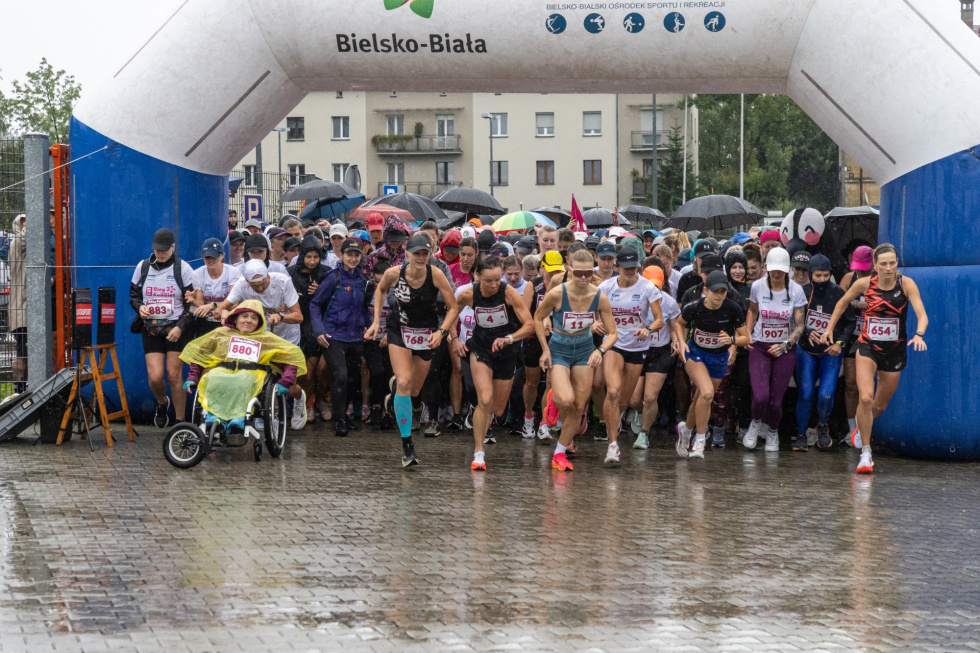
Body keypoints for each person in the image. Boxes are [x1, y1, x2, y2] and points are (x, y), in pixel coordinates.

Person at [819, 244, 928, 474]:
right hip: (867, 346)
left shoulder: (906, 284)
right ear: (875, 266)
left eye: (892, 263)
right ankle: (866, 454)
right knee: (865, 398)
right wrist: (829, 329)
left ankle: (861, 426)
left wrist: (919, 334)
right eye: (883, 264)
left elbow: (922, 314)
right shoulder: (865, 284)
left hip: (894, 351)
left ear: (897, 263)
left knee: (879, 405)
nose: (888, 268)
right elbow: (841, 303)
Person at [365, 234, 458, 468]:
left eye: (425, 254)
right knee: (406, 384)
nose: (420, 258)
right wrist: (377, 322)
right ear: (407, 253)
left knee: (414, 389)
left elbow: (453, 306)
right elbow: (380, 290)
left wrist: (442, 331)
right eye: (416, 253)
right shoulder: (394, 273)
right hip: (400, 331)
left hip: (426, 334)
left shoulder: (436, 275)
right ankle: (407, 447)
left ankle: (395, 391)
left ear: (429, 255)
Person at [534, 250, 617, 471]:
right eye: (578, 273)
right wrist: (544, 349)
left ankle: (559, 453)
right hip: (559, 349)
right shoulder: (557, 294)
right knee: (567, 400)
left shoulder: (599, 296)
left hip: (584, 350)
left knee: (579, 407)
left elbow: (613, 333)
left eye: (588, 273)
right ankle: (553, 400)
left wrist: (600, 350)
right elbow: (538, 317)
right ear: (569, 269)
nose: (582, 278)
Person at [453, 256, 535, 470]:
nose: (494, 284)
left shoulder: (508, 293)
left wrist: (509, 338)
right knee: (485, 399)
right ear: (477, 276)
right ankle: (479, 453)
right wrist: (453, 338)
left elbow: (529, 325)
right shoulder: (468, 294)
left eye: (498, 279)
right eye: (489, 280)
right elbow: (452, 313)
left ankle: (481, 416)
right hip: (480, 347)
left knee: (497, 409)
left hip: (506, 350)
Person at [180, 299, 307, 432]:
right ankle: (213, 416)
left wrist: (285, 380)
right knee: (211, 377)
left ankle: (239, 417)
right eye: (244, 316)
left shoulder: (266, 339)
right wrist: (192, 377)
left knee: (243, 380)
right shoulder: (221, 334)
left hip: (251, 374)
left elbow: (290, 358)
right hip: (223, 371)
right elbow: (200, 354)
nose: (248, 320)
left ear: (259, 322)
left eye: (253, 318)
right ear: (235, 319)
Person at [216, 259, 307, 429]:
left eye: (262, 283)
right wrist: (224, 312)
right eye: (254, 285)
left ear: (267, 276)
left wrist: (281, 317)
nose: (259, 288)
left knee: (286, 382)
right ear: (247, 281)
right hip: (260, 338)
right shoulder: (242, 285)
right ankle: (269, 413)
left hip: (285, 337)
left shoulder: (282, 282)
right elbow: (221, 308)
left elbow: (299, 316)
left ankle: (299, 398)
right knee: (260, 375)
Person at [595, 248, 663, 464]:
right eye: (626, 267)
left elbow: (659, 319)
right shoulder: (606, 287)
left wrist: (648, 330)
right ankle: (612, 445)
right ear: (617, 267)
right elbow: (593, 313)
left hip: (637, 347)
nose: (630, 271)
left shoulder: (647, 287)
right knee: (612, 391)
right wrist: (595, 323)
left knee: (624, 401)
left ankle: (614, 426)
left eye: (634, 267)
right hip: (613, 344)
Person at [672, 270, 749, 459]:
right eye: (716, 291)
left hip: (719, 358)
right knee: (707, 393)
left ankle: (686, 432)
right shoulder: (694, 307)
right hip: (696, 354)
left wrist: (731, 339)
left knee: (701, 398)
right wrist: (681, 342)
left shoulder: (733, 309)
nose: (719, 295)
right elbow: (679, 323)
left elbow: (746, 338)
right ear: (706, 290)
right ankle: (700, 441)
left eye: (723, 291)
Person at [130, 228, 197, 427]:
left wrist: (181, 326)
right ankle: (162, 402)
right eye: (157, 250)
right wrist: (140, 307)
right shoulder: (143, 267)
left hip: (176, 327)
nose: (160, 254)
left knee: (174, 374)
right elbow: (134, 296)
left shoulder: (182, 268)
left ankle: (180, 421)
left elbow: (192, 303)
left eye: (164, 250)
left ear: (173, 248)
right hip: (151, 328)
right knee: (155, 376)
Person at [742, 247, 807, 452]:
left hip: (785, 348)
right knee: (760, 396)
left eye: (780, 270)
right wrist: (748, 332)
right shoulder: (757, 287)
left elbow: (800, 325)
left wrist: (786, 344)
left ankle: (773, 431)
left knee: (775, 401)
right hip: (760, 346)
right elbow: (752, 311)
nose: (776, 274)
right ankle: (755, 423)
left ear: (787, 269)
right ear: (766, 268)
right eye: (773, 270)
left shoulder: (796, 290)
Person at [794, 254, 855, 451]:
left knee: (826, 395)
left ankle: (822, 425)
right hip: (806, 351)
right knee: (806, 393)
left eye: (826, 275)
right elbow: (795, 321)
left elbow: (850, 322)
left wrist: (840, 343)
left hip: (830, 351)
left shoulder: (838, 292)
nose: (821, 280)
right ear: (811, 274)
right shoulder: (802, 291)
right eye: (817, 275)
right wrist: (807, 332)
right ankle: (801, 434)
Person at [310, 238, 370, 437]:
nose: (353, 259)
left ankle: (344, 414)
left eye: (356, 255)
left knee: (353, 379)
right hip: (333, 336)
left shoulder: (363, 279)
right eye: (349, 255)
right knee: (341, 376)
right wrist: (319, 330)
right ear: (342, 256)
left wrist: (369, 327)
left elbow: (365, 308)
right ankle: (340, 420)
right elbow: (315, 304)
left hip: (356, 337)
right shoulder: (333, 277)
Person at [634, 262, 681, 449]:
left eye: (657, 283)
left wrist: (676, 341)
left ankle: (644, 434)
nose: (653, 287)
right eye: (649, 283)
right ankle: (642, 413)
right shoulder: (635, 298)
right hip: (638, 349)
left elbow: (674, 325)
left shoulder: (668, 301)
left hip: (660, 351)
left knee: (650, 397)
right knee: (634, 400)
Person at [289, 236, 331, 424]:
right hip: (296, 324)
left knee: (318, 369)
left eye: (316, 257)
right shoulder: (290, 273)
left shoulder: (327, 273)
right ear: (302, 255)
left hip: (317, 324)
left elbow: (333, 301)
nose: (312, 261)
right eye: (309, 257)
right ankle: (307, 403)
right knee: (303, 371)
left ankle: (319, 400)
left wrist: (321, 291)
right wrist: (293, 296)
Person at [839, 245, 873, 439]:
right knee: (851, 384)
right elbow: (840, 301)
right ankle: (852, 429)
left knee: (867, 389)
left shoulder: (880, 278)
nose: (861, 272)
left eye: (865, 268)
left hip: (873, 337)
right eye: (858, 267)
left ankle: (866, 427)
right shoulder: (848, 278)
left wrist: (860, 304)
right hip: (852, 335)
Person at [189, 238, 243, 337]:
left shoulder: (233, 272)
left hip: (227, 319)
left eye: (214, 256)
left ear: (222, 255)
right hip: (206, 322)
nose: (210, 260)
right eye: (207, 257)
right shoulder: (197, 274)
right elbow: (201, 306)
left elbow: (234, 303)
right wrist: (192, 301)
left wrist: (212, 305)